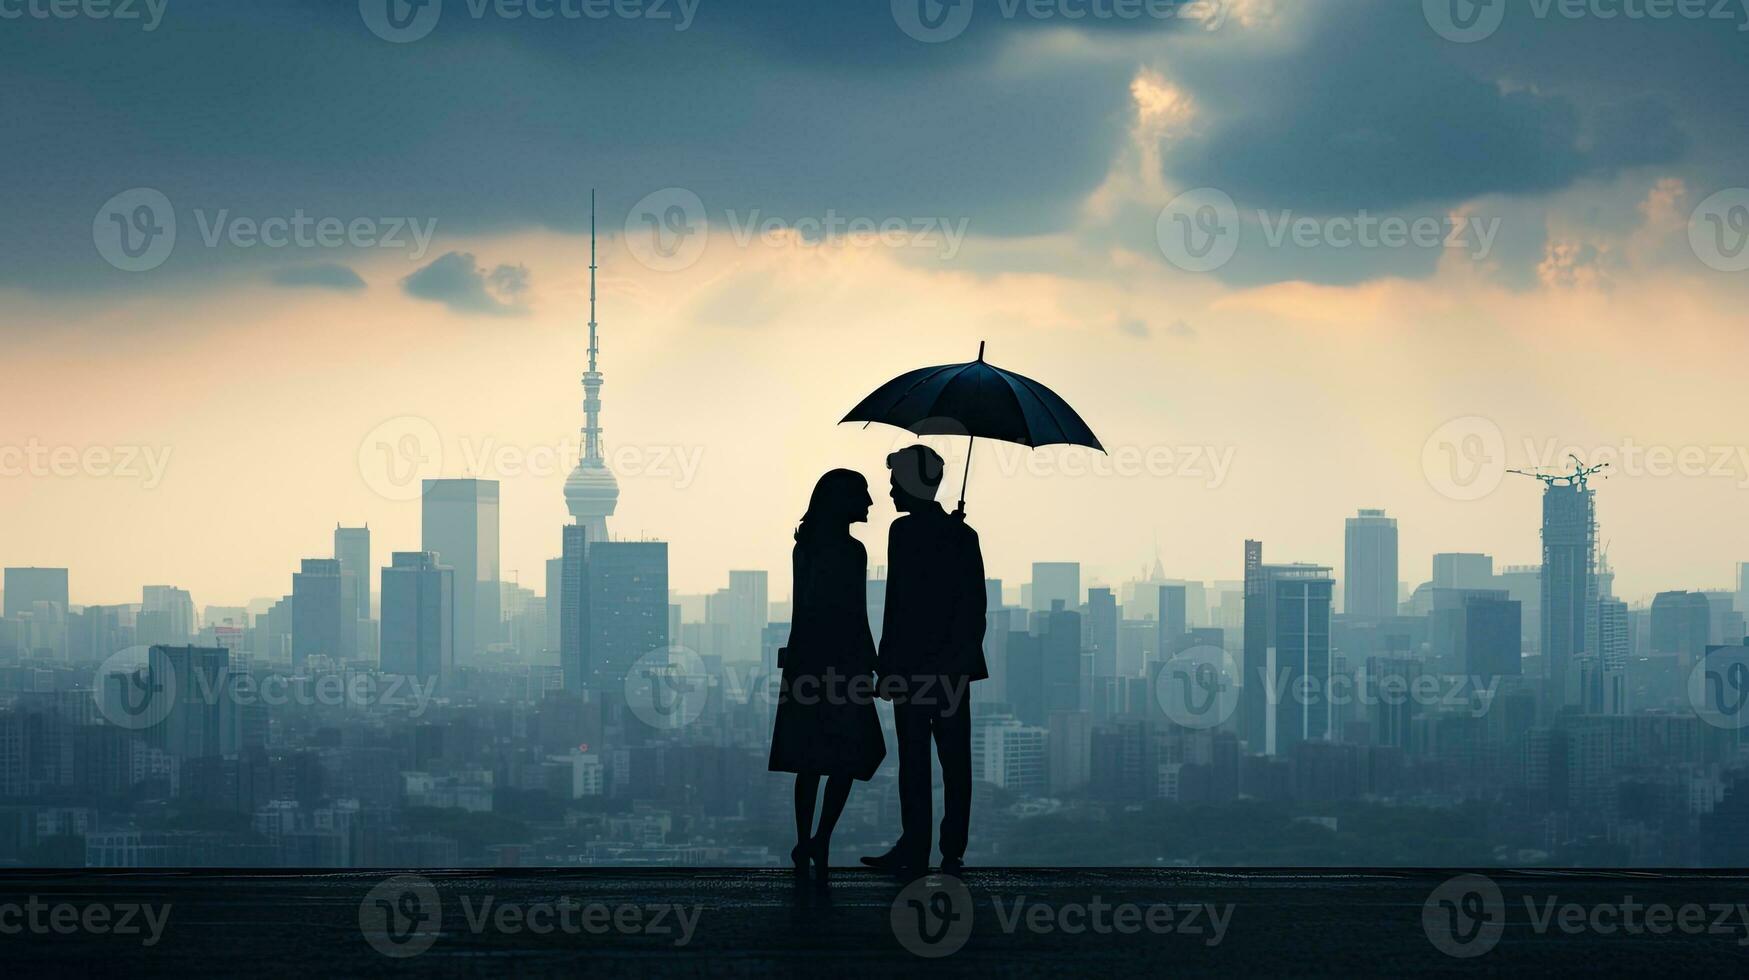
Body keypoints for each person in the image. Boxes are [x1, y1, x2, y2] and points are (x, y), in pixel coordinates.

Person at [861, 445, 987, 875]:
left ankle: (914, 847)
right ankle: (952, 849)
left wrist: (886, 665)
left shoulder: (904, 533)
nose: (891, 490)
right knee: (955, 762)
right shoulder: (962, 536)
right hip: (952, 670)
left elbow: (896, 606)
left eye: (896, 481)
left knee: (913, 761)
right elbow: (974, 608)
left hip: (913, 670)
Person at [768, 468, 886, 883]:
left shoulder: (807, 548)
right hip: (844, 665)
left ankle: (807, 840)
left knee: (810, 757)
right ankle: (820, 838)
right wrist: (874, 662)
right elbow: (857, 612)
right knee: (849, 754)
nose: (871, 503)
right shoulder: (853, 552)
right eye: (864, 495)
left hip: (810, 662)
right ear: (843, 501)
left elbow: (806, 610)